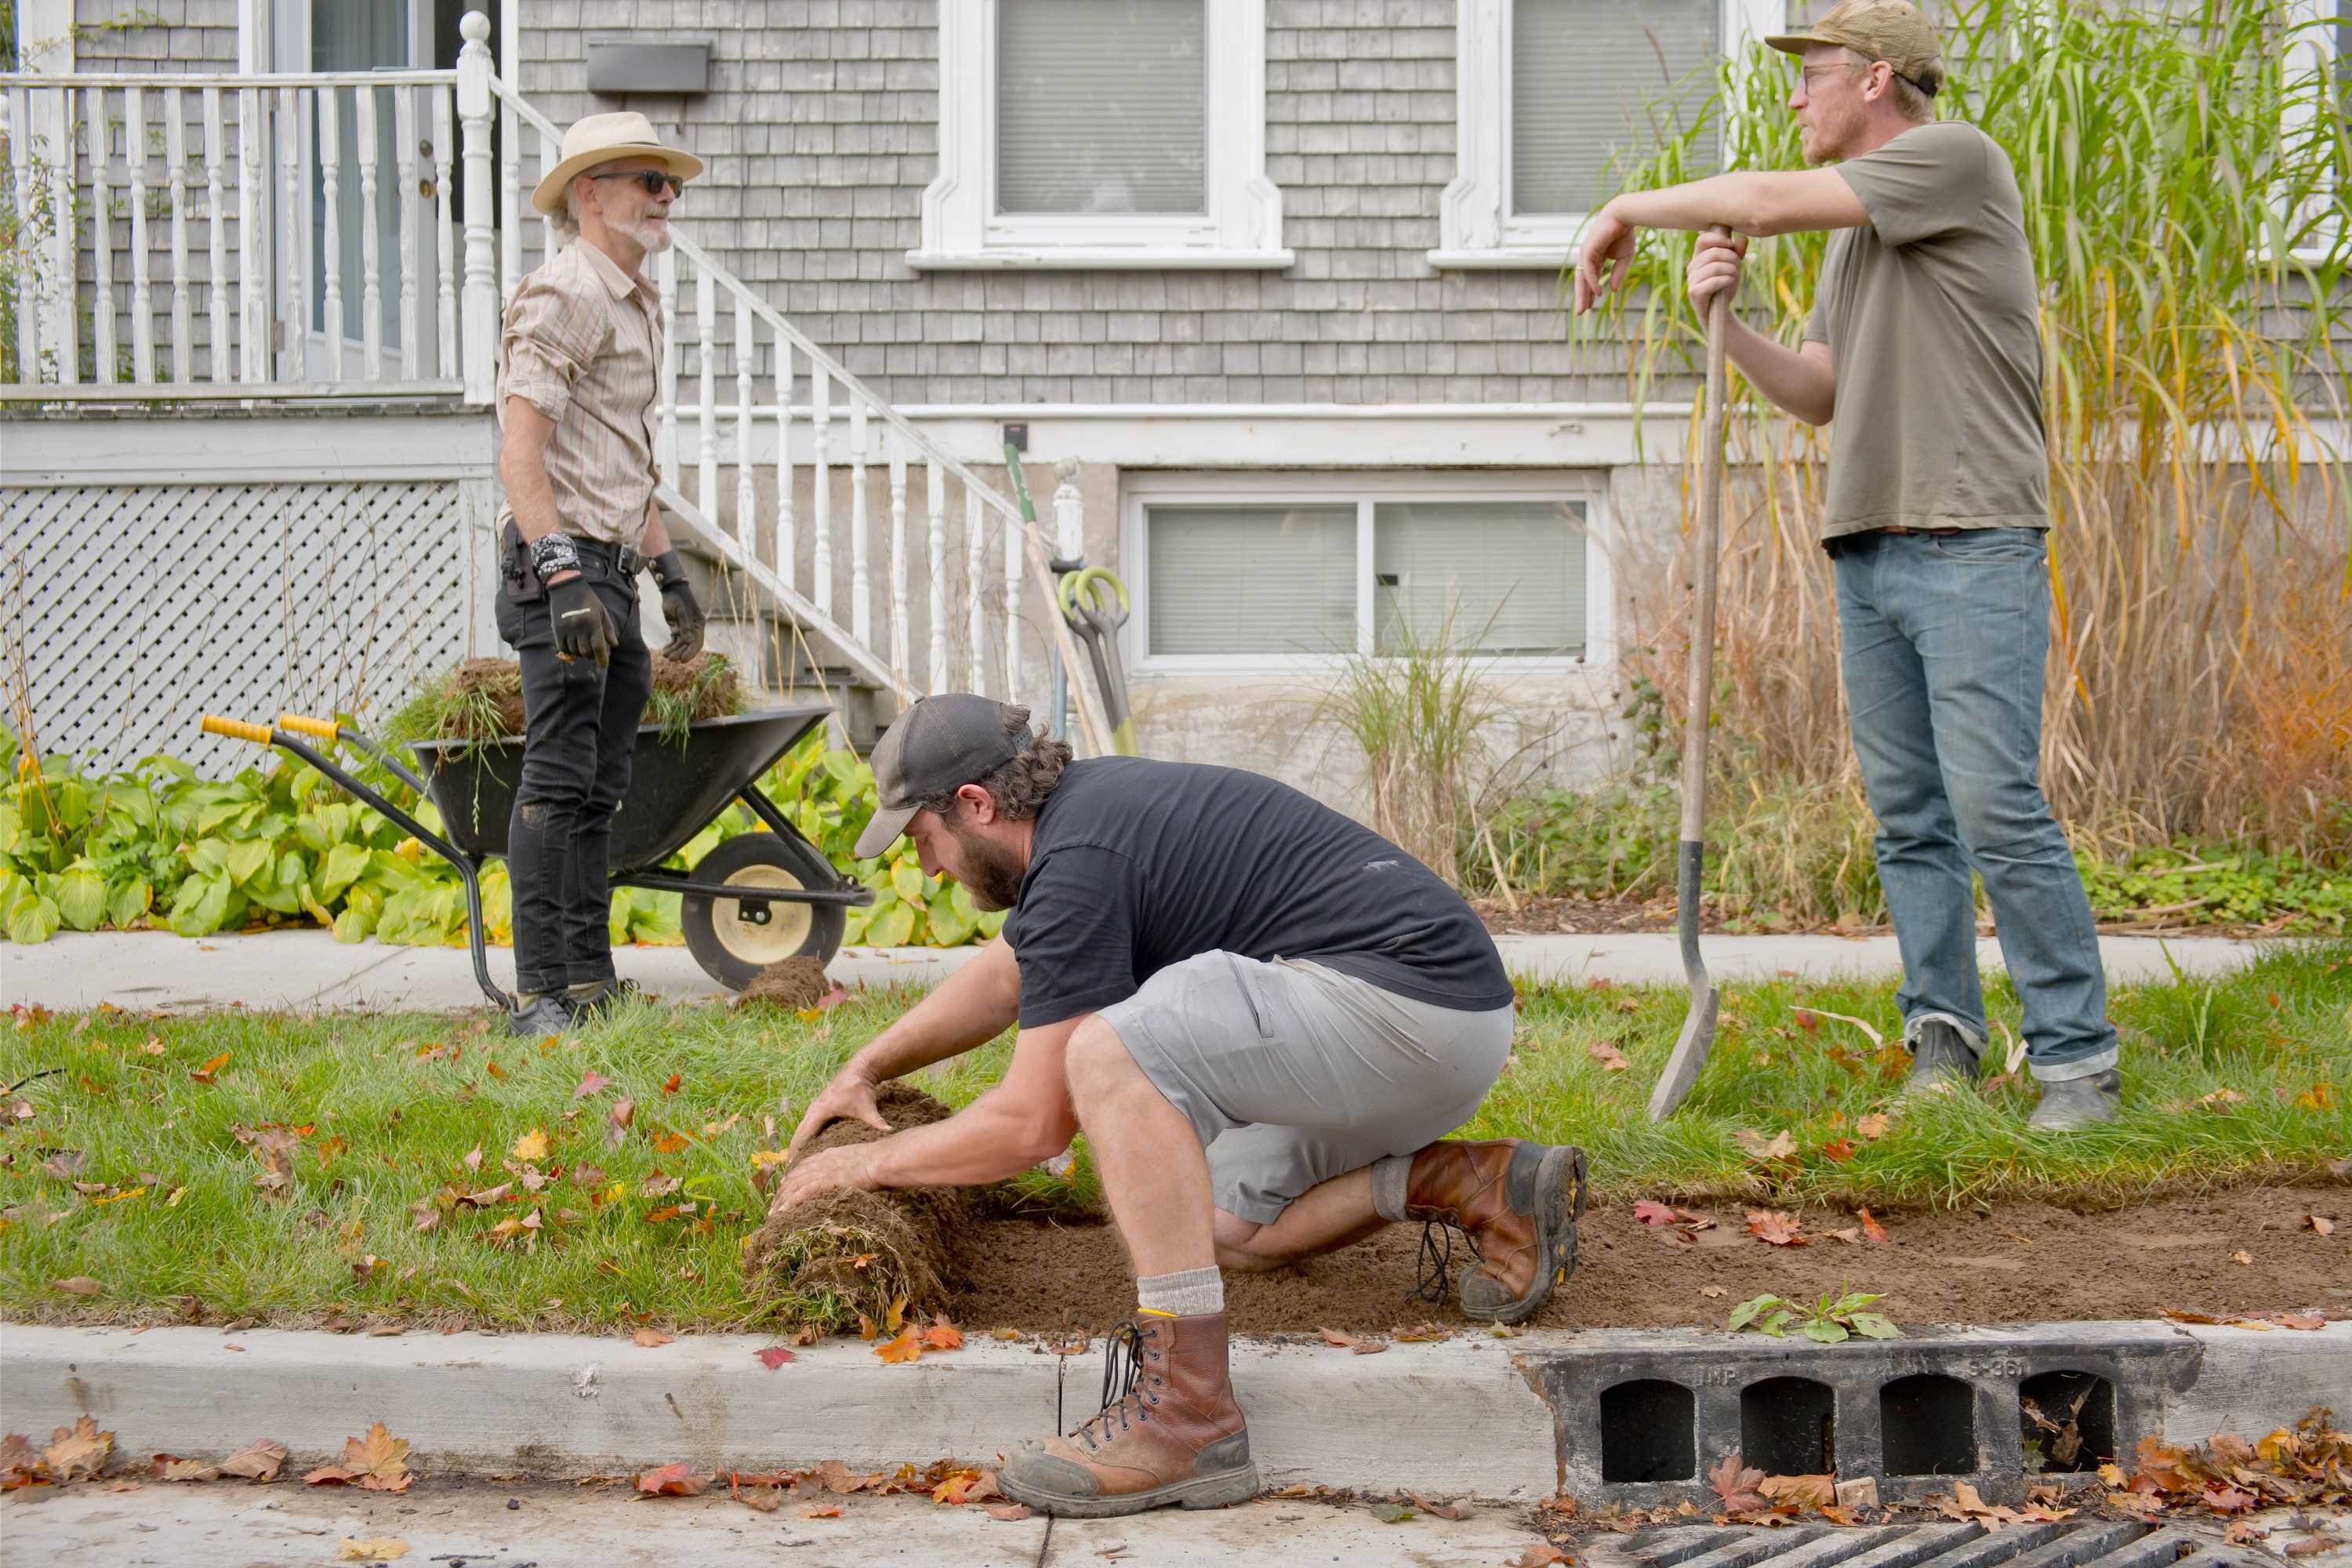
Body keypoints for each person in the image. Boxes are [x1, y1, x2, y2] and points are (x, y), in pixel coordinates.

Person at [772, 695, 1588, 1517]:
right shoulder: (1085, 821)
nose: (926, 866)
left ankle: (1187, 1417)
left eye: (922, 839)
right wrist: (865, 1065)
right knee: (1220, 1225)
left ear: (975, 806)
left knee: (1105, 1051)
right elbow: (1007, 974)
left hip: (1404, 1007)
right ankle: (1470, 1181)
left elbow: (1032, 1125)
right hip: (1437, 1026)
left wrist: (863, 1161)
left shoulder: (1082, 855)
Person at [1573, 0, 2122, 1128]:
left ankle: (2076, 1059)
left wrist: (1628, 205)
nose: (1793, 94)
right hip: (1868, 543)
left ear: (1876, 80)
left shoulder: (1954, 162)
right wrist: (1724, 327)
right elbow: (1821, 391)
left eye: (1809, 72)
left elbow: (1762, 199)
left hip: (1970, 538)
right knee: (1910, 817)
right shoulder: (1857, 237)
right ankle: (1944, 1040)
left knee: (1994, 806)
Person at [495, 112, 709, 1036]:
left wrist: (667, 572)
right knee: (555, 776)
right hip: (565, 566)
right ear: (590, 194)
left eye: (672, 186)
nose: (666, 198)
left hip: (611, 564)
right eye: (646, 181)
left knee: (598, 783)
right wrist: (561, 576)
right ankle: (540, 992)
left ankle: (588, 981)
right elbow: (521, 452)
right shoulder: (564, 292)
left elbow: (620, 460)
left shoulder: (631, 299)